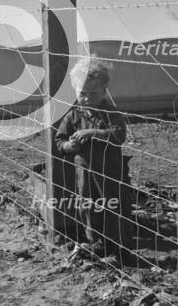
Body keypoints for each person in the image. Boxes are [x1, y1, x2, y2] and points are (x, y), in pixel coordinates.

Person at [56, 58, 134, 264]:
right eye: (82, 93)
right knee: (88, 205)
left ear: (104, 90)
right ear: (75, 90)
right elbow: (60, 141)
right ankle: (96, 241)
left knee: (113, 206)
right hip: (84, 173)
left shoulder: (110, 113)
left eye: (93, 94)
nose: (87, 99)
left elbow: (119, 136)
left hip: (110, 172)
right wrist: (69, 147)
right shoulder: (73, 116)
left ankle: (119, 248)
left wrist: (94, 132)